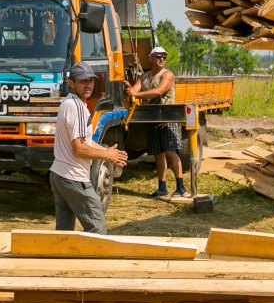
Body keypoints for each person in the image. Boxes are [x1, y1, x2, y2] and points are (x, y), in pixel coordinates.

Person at [49, 61, 128, 233]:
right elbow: (79, 149)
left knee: (64, 232)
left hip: (59, 175)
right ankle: (95, 259)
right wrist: (106, 156)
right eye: (83, 81)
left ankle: (60, 256)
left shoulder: (70, 103)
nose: (88, 85)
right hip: (73, 177)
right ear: (71, 83)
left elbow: (86, 141)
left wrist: (107, 151)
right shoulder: (76, 107)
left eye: (90, 81)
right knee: (97, 228)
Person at [127, 46, 182, 197]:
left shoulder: (167, 75)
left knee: (171, 151)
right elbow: (134, 90)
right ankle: (162, 187)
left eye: (164, 56)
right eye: (158, 56)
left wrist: (135, 93)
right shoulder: (144, 77)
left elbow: (159, 91)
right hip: (151, 118)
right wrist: (129, 89)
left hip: (167, 117)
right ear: (151, 58)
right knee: (158, 154)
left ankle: (180, 186)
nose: (162, 59)